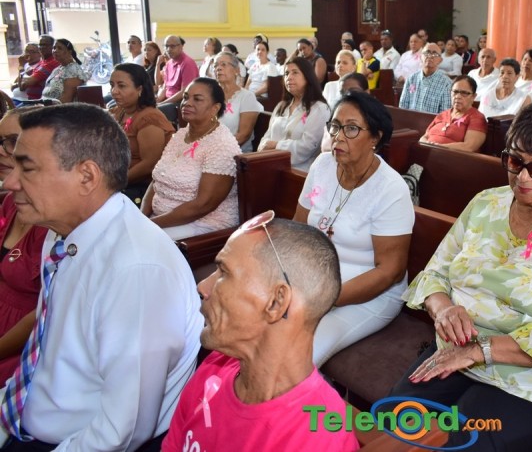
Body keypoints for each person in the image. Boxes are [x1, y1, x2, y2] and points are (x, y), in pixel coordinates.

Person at [388, 101, 532, 451]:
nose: (522, 178)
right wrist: (443, 308)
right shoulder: (486, 203)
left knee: (465, 439)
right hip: (459, 351)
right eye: (514, 161)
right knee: (394, 418)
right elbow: (436, 273)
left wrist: (479, 351)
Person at [0, 103, 202, 450]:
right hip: (28, 415)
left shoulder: (136, 271)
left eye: (27, 168)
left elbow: (120, 430)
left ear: (87, 177)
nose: (10, 182)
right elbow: (48, 356)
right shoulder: (65, 233)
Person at [162, 213, 359, 452]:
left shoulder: (319, 441)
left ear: (276, 302)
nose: (202, 287)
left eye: (223, 272)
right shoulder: (214, 368)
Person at [295, 93, 414, 365]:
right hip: (316, 280)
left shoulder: (390, 189)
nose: (338, 137)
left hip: (370, 294)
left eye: (351, 129)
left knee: (303, 352)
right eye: (335, 126)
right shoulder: (322, 165)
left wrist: (326, 297)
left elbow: (390, 271)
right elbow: (298, 229)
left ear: (375, 138)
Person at [143, 78, 240, 239]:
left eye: (197, 99)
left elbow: (203, 205)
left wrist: (148, 225)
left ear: (215, 108)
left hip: (204, 223)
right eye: (186, 97)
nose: (187, 103)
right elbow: (157, 180)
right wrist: (141, 217)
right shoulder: (181, 134)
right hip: (162, 220)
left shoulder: (222, 145)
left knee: (137, 241)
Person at [0, 108, 48, 383]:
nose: (2, 151)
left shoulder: (55, 224)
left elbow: (44, 314)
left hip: (20, 342)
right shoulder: (11, 201)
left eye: (12, 142)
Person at [109, 63, 174, 204]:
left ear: (139, 89)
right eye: (112, 85)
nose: (114, 91)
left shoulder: (149, 118)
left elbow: (149, 164)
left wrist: (112, 184)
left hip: (141, 188)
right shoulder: (121, 111)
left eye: (121, 86)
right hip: (119, 178)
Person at [258, 57, 330, 171]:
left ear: (307, 77)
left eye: (295, 72)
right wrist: (263, 148)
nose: (289, 77)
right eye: (286, 73)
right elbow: (267, 137)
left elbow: (307, 147)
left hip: (300, 171)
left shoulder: (319, 108)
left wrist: (275, 145)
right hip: (272, 165)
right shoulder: (281, 106)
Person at [420, 75, 487, 152]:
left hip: (452, 157)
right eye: (455, 92)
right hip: (427, 153)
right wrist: (427, 145)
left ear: (473, 96)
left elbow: (469, 147)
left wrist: (438, 148)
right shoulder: (442, 114)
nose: (458, 96)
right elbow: (424, 137)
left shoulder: (477, 118)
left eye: (464, 93)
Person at [215, 51, 264, 153]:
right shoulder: (210, 96)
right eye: (216, 65)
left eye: (223, 64)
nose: (218, 68)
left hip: (235, 154)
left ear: (236, 70)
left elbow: (243, 135)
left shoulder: (246, 97)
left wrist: (216, 151)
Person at [156, 35, 200, 122]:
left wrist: (162, 103)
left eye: (172, 46)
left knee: (153, 113)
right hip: (168, 101)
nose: (168, 49)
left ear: (180, 47)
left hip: (181, 104)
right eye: (166, 46)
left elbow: (185, 92)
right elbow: (165, 87)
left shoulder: (187, 63)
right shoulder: (169, 63)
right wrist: (157, 101)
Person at [399, 43, 453, 114]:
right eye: (427, 53)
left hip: (433, 121)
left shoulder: (447, 83)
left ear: (440, 60)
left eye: (435, 54)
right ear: (421, 57)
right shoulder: (411, 79)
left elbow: (444, 114)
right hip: (410, 119)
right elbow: (403, 106)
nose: (430, 56)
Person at [41, 39, 88, 103]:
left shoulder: (73, 70)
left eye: (59, 48)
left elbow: (67, 99)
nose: (55, 51)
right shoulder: (57, 69)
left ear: (69, 52)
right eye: (54, 48)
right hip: (45, 105)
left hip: (60, 108)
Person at [15, 36, 58, 102]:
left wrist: (21, 66)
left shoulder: (51, 63)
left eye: (45, 45)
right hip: (29, 100)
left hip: (38, 102)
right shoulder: (42, 62)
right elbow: (21, 85)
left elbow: (24, 84)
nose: (42, 47)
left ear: (53, 47)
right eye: (40, 45)